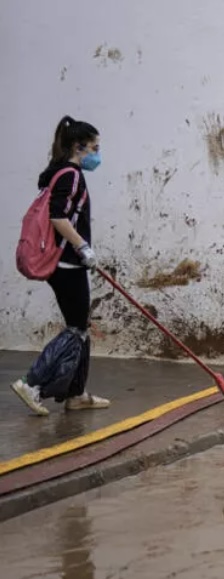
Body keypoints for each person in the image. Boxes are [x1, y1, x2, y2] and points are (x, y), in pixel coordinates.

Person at [12, 116, 108, 416]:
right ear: (79, 147)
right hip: (66, 264)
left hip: (68, 264)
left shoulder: (61, 173)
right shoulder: (71, 175)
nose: (97, 154)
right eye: (94, 147)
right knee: (76, 328)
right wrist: (82, 247)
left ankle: (76, 393)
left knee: (81, 327)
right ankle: (32, 383)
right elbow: (57, 216)